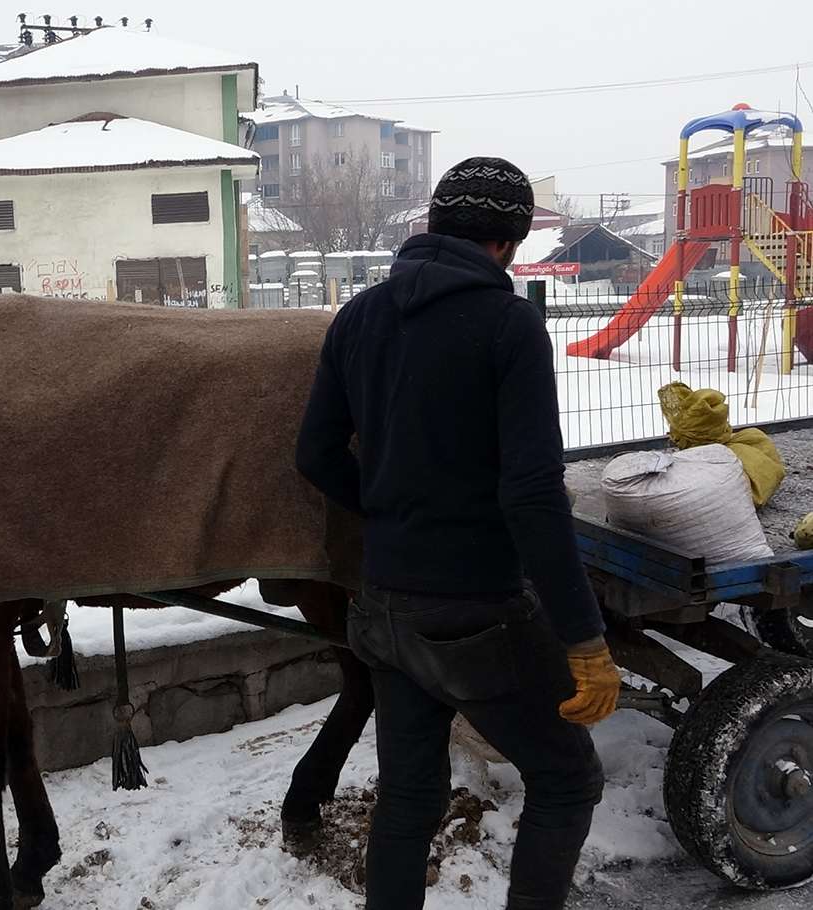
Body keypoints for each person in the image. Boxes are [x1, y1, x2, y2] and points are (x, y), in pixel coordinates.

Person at [295, 157, 621, 910]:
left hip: (382, 605)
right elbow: (533, 493)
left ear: (433, 225)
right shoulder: (509, 326)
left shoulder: (359, 317)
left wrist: (383, 509)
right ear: (507, 245)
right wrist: (584, 638)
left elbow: (314, 454)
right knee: (569, 780)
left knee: (409, 797)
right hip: (477, 612)